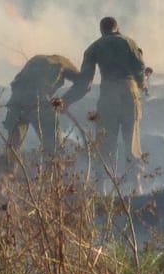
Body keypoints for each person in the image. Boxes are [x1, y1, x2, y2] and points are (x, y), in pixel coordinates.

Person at [62, 16, 151, 190]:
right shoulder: (129, 43)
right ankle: (137, 189)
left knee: (104, 144)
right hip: (129, 93)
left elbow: (85, 83)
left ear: (101, 31)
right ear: (117, 28)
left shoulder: (94, 47)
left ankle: (100, 190)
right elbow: (140, 70)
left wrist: (66, 100)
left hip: (108, 95)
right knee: (131, 141)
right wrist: (142, 83)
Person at [2, 54, 81, 158]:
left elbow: (17, 82)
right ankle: (54, 172)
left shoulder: (35, 59)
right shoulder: (63, 62)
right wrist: (65, 101)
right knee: (54, 152)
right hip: (40, 102)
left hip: (16, 103)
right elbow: (83, 82)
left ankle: (5, 172)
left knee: (11, 151)